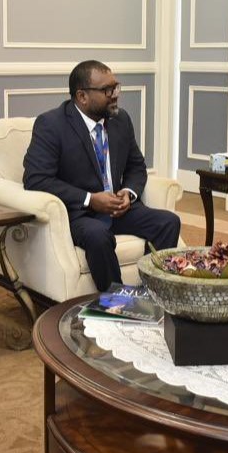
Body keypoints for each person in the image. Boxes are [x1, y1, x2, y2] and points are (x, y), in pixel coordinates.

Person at [24, 60, 182, 292]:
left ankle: (152, 294)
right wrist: (90, 199)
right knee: (98, 236)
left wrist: (128, 192)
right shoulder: (52, 125)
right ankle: (117, 302)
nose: (115, 95)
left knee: (168, 222)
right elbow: (36, 179)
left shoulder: (120, 120)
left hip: (118, 209)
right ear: (82, 96)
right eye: (107, 90)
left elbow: (136, 166)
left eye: (116, 87)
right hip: (79, 213)